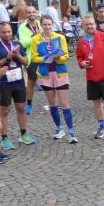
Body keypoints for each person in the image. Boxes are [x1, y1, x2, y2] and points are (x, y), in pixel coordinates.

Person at [0, 22, 35, 149]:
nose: (7, 34)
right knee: (5, 110)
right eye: (4, 32)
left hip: (18, 81)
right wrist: (7, 59)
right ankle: (4, 138)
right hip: (4, 82)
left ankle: (23, 134)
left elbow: (26, 62)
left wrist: (17, 55)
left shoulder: (17, 44)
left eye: (9, 31)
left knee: (21, 108)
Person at [31, 14, 77, 143]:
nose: (47, 27)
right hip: (45, 74)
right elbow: (33, 57)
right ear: (41, 25)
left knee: (64, 103)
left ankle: (71, 132)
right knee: (52, 103)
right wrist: (45, 58)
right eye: (44, 24)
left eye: (49, 24)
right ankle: (59, 128)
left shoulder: (60, 37)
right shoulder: (35, 39)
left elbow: (66, 56)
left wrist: (58, 57)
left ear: (52, 25)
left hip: (60, 73)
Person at [17, 6, 41, 115]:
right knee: (31, 81)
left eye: (33, 12)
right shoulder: (22, 27)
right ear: (26, 14)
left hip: (44, 55)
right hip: (32, 57)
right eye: (29, 12)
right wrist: (34, 37)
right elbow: (23, 43)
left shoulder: (40, 23)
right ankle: (29, 104)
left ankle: (53, 103)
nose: (31, 14)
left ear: (36, 13)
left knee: (49, 79)